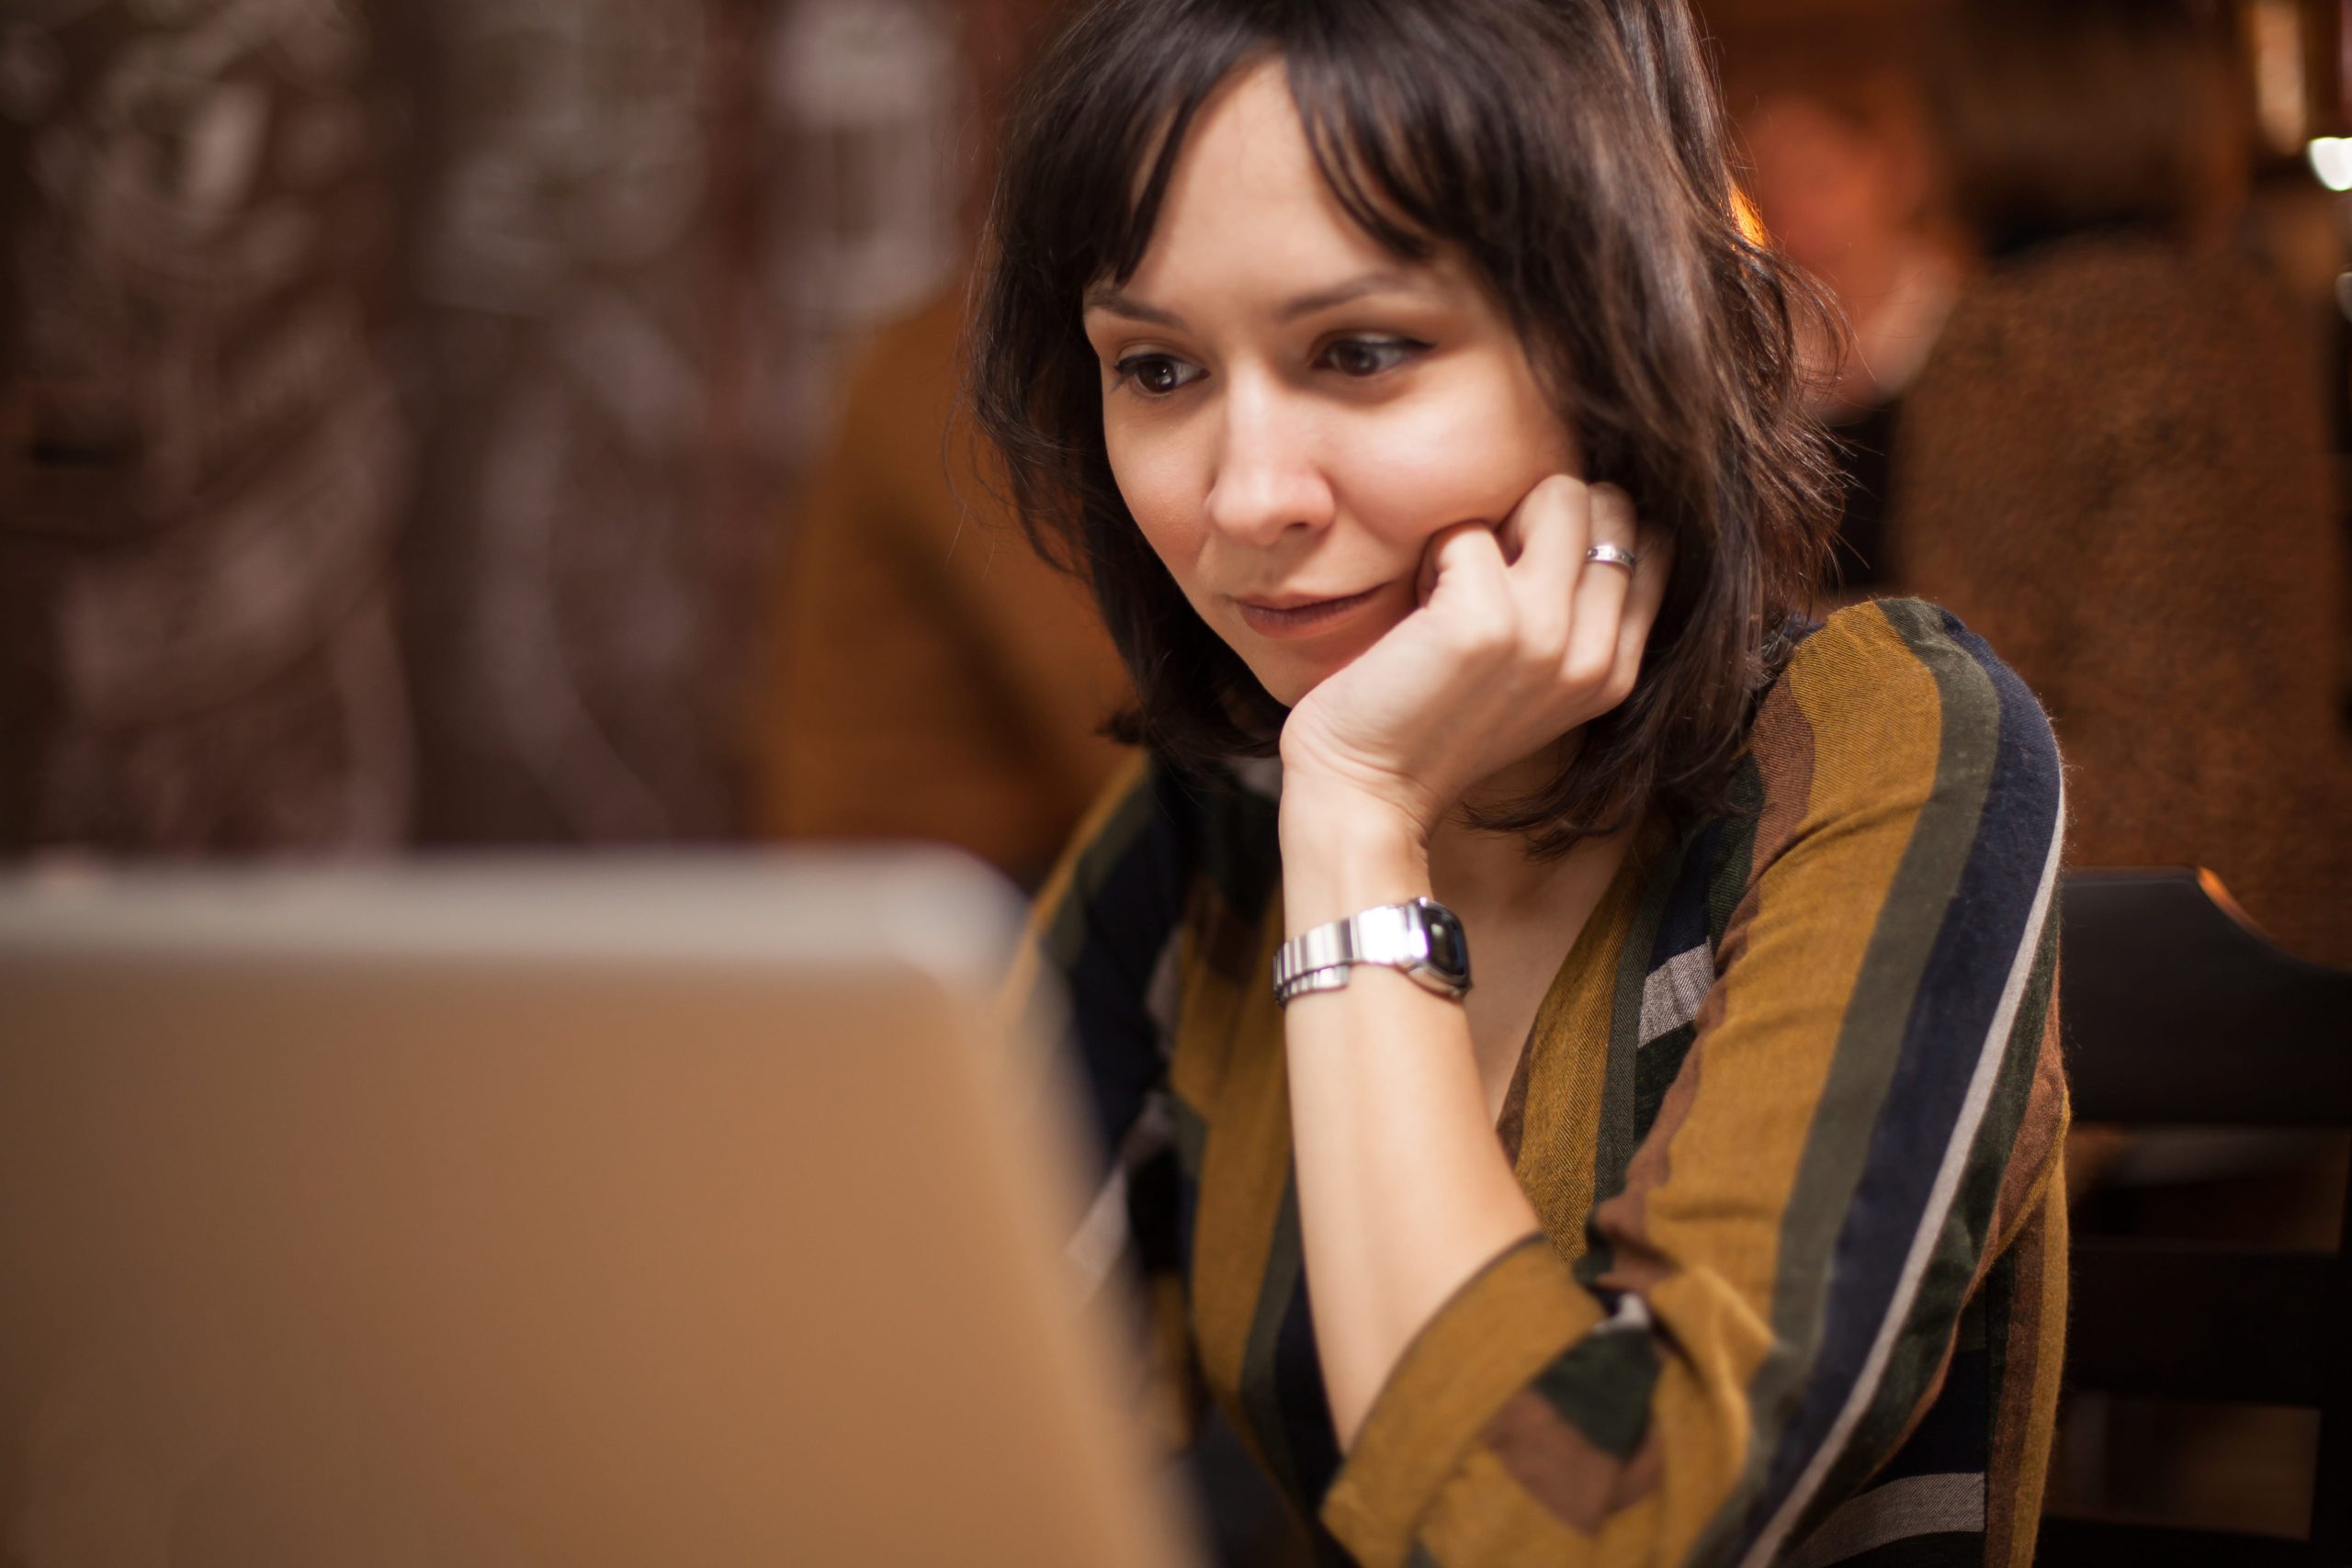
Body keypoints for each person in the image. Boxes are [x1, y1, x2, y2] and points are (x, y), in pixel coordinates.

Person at [977, 3, 2069, 1564]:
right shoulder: (1199, 828)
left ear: (1621, 335)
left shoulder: (1887, 741)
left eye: (1360, 352)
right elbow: (924, 1410)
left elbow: (1573, 1536)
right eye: (1155, 368)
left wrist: (1358, 825)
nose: (1244, 495)